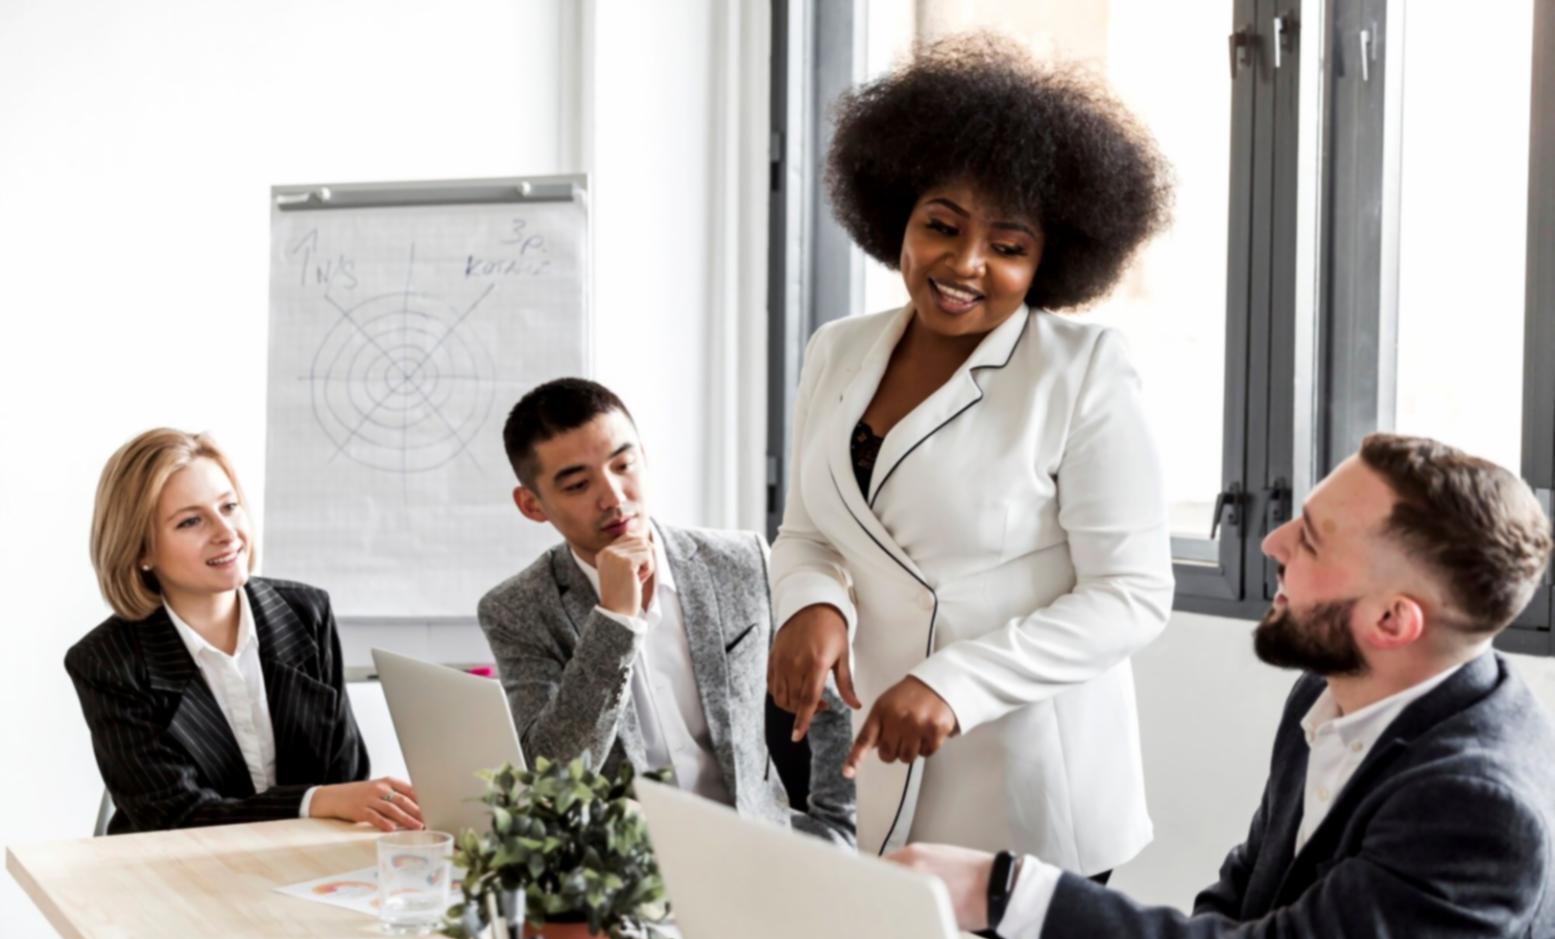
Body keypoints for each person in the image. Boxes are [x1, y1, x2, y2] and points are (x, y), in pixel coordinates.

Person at [891, 434, 1555, 939]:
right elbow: (1240, 901)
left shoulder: (1481, 809)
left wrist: (1006, 891)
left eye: (1312, 540)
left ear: (1391, 620)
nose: (1272, 542)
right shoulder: (1335, 690)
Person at [767, 34, 1175, 867]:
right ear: (896, 220)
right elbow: (809, 532)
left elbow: (1130, 594)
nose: (964, 264)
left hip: (1029, 773)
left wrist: (957, 683)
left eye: (1008, 246)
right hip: (887, 761)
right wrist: (811, 603)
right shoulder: (837, 351)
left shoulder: (1083, 371)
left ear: (1048, 259)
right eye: (940, 226)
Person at [478, 379, 855, 845]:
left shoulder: (741, 561)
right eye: (578, 484)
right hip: (626, 872)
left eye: (623, 464)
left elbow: (834, 706)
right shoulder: (517, 609)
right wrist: (615, 623)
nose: (613, 496)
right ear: (531, 505)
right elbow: (552, 778)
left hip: (757, 848)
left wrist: (839, 830)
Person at [66, 429, 420, 835]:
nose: (225, 531)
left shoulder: (307, 613)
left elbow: (347, 774)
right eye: (191, 521)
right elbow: (175, 814)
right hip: (175, 873)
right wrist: (315, 801)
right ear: (141, 550)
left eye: (229, 506)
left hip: (304, 862)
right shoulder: (107, 661)